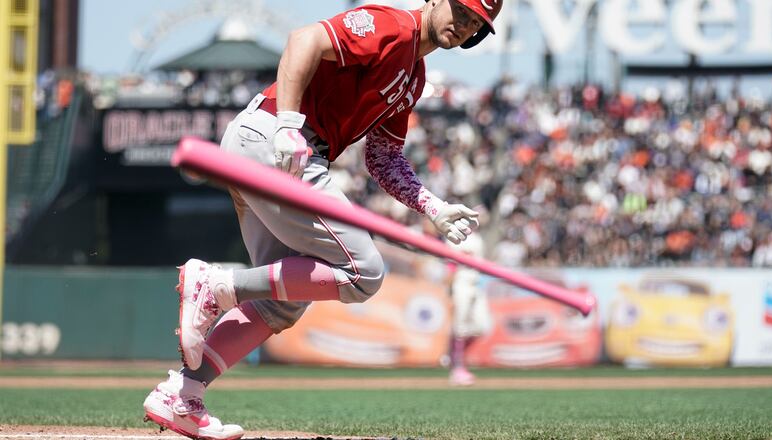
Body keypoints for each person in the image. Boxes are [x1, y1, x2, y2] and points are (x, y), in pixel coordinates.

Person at [143, 1, 503, 438]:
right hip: (276, 138)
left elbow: (383, 157)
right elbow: (303, 40)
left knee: (282, 299)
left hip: (272, 145)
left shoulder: (415, 77)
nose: (463, 26)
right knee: (363, 273)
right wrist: (289, 125)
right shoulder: (393, 25)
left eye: (474, 24)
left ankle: (181, 395)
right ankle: (220, 286)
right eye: (460, 11)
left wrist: (433, 206)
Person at [446, 232, 492, 386]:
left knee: (482, 326)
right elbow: (451, 265)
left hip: (476, 283)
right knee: (460, 327)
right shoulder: (452, 236)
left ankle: (455, 356)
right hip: (461, 283)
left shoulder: (478, 238)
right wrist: (450, 290)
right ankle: (457, 369)